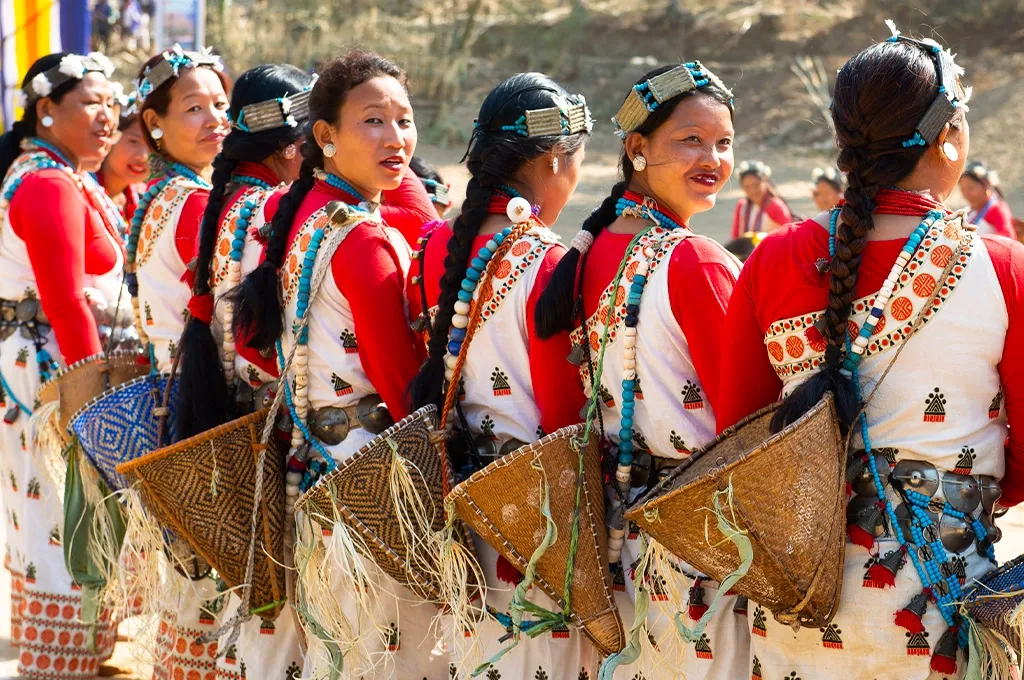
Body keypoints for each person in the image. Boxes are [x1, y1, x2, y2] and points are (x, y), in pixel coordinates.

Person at [716, 26, 1023, 679]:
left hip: (798, 606)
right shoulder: (1001, 268)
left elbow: (735, 436)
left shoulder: (771, 259)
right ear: (948, 135)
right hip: (942, 611)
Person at [534, 61, 748, 680]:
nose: (712, 156)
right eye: (690, 139)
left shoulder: (587, 252)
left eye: (724, 142)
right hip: (700, 542)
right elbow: (746, 422)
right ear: (636, 149)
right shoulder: (696, 262)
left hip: (619, 538)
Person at [231, 50, 436, 679]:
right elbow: (404, 384)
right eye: (373, 121)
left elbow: (249, 343)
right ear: (324, 137)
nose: (396, 138)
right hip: (373, 475)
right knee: (387, 654)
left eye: (405, 120)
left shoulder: (303, 215)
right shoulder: (364, 236)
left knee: (340, 650)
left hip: (316, 463)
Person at [406, 73, 593, 679]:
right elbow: (564, 418)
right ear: (552, 159)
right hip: (534, 522)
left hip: (460, 504)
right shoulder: (546, 259)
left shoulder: (437, 246)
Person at [173, 62, 315, 678]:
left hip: (238, 419)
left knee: (263, 611)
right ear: (294, 145)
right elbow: (266, 340)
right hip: (275, 431)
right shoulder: (274, 206)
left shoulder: (230, 200)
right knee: (287, 614)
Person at [0, 51, 126, 679]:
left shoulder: (63, 175)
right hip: (55, 367)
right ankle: (59, 661)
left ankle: (74, 652)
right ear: (47, 111)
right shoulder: (47, 182)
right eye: (91, 104)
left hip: (48, 360)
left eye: (112, 103)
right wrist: (94, 394)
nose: (108, 116)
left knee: (57, 505)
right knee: (60, 506)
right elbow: (65, 298)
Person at [129, 44, 232, 677]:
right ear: (155, 123)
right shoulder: (195, 202)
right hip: (198, 403)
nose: (215, 118)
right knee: (212, 577)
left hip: (166, 395)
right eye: (194, 107)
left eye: (221, 104)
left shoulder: (165, 194)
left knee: (188, 576)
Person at [96, 95, 149, 224]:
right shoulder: (81, 186)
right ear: (112, 136)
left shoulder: (146, 200)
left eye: (154, 148)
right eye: (133, 142)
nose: (143, 156)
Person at [730, 160, 792, 238]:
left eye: (756, 185)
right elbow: (735, 237)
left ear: (765, 182)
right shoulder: (742, 205)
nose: (752, 191)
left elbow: (789, 235)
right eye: (747, 187)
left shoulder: (775, 206)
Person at [960, 159, 1016, 239]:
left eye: (971, 188)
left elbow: (1008, 238)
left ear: (986, 185)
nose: (966, 193)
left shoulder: (997, 209)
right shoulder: (968, 212)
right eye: (962, 189)